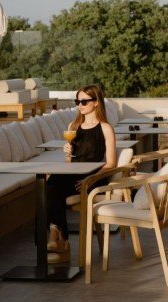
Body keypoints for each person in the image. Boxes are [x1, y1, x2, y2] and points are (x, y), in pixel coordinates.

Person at [46, 84, 116, 264]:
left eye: (84, 101)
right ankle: (57, 235)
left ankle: (59, 239)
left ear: (96, 103)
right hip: (74, 174)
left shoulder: (105, 128)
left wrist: (89, 178)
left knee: (52, 186)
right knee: (50, 183)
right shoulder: (74, 126)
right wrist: (68, 152)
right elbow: (70, 163)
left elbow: (111, 164)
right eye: (77, 101)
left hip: (94, 176)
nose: (80, 105)